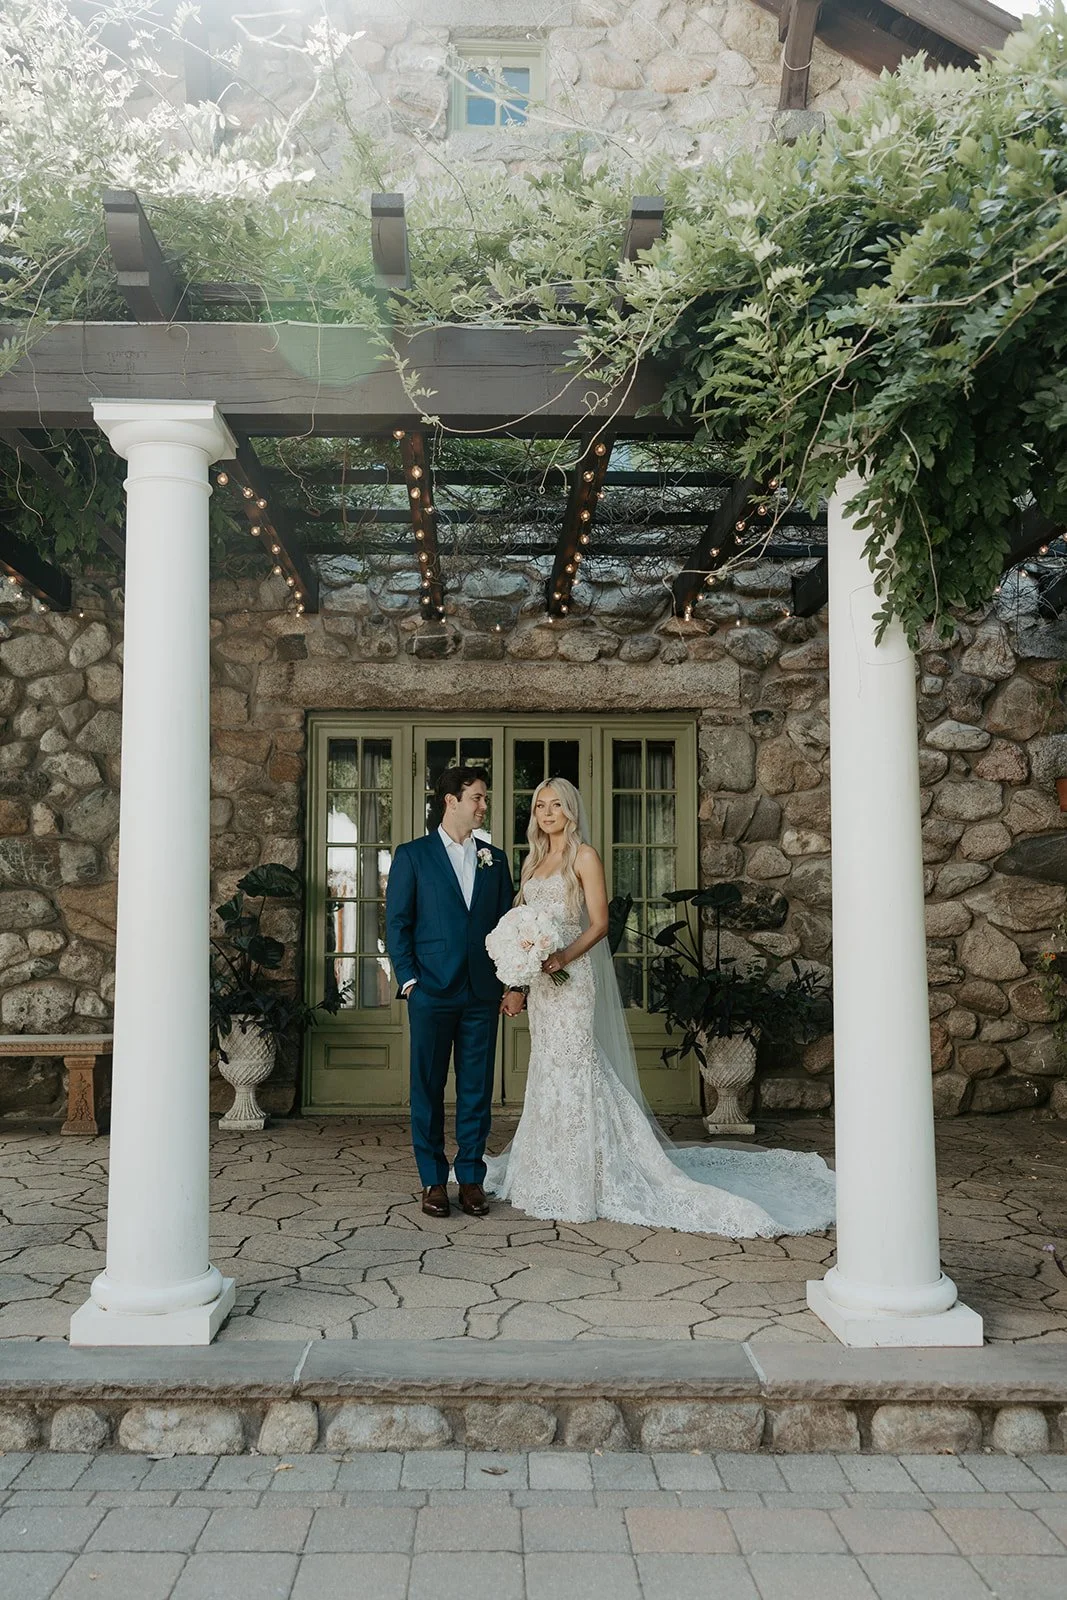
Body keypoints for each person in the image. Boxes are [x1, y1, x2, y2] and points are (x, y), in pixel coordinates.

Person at [483, 777, 836, 1238]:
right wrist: (524, 975)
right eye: (539, 806)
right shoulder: (533, 863)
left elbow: (600, 924)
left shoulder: (583, 856)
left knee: (575, 1064)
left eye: (555, 805)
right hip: (545, 985)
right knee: (548, 1066)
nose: (546, 813)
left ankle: (586, 1175)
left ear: (570, 811)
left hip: (571, 978)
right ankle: (544, 1168)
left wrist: (562, 957)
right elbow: (525, 927)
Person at [385, 766, 524, 1219]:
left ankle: (470, 1178)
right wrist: (410, 983)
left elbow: (509, 926)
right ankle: (431, 1180)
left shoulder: (495, 859)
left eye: (484, 798)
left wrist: (512, 983)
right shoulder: (413, 856)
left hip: (482, 993)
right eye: (478, 798)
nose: (485, 806)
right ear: (451, 800)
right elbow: (397, 925)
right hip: (431, 991)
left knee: (476, 1088)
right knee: (426, 1086)